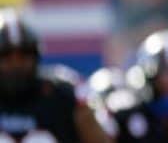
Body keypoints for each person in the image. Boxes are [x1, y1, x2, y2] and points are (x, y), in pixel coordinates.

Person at [0, 9, 111, 142]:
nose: (15, 65)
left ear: (36, 57)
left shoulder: (62, 94)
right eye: (6, 58)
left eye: (23, 57)